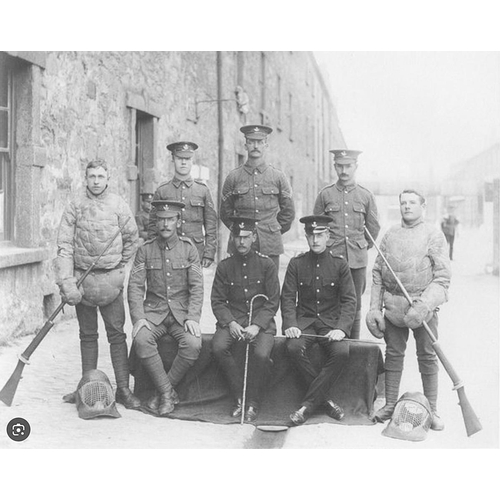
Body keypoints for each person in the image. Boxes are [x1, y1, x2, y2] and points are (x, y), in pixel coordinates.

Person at [56, 158, 141, 410]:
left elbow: (132, 238)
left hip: (110, 282)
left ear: (108, 178)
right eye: (92, 176)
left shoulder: (118, 205)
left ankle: (124, 390)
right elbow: (65, 245)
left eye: (100, 177)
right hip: (83, 281)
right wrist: (67, 281)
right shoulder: (75, 205)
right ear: (86, 178)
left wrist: (117, 266)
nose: (96, 181)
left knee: (117, 335)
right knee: (87, 335)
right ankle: (86, 386)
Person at [366, 189, 451, 431]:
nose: (407, 207)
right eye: (403, 202)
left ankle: (432, 409)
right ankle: (391, 404)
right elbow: (377, 273)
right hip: (394, 309)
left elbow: (442, 277)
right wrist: (374, 309)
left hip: (423, 311)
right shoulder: (390, 234)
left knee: (427, 356)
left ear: (422, 206)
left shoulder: (433, 235)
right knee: (393, 355)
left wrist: (424, 305)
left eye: (412, 202)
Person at [128, 200, 204, 416]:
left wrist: (192, 317)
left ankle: (162, 394)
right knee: (141, 340)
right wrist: (139, 318)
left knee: (193, 344)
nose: (165, 224)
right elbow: (134, 286)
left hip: (181, 314)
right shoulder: (145, 250)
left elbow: (197, 287)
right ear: (156, 221)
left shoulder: (189, 250)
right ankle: (168, 393)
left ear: (178, 221)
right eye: (161, 220)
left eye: (170, 219)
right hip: (154, 312)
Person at [281, 215, 357, 425]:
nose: (315, 240)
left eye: (320, 235)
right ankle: (325, 402)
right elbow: (287, 298)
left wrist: (341, 329)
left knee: (342, 352)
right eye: (311, 235)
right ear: (306, 237)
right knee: (293, 348)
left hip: (330, 325)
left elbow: (350, 300)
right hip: (303, 324)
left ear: (328, 237)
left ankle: (307, 406)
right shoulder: (296, 264)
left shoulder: (340, 265)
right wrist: (291, 325)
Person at [211, 216, 280, 421]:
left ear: (254, 237)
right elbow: (217, 301)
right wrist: (230, 322)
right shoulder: (224, 266)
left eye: (246, 237)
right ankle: (238, 397)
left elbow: (273, 301)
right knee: (218, 347)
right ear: (232, 238)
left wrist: (257, 326)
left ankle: (253, 402)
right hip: (233, 319)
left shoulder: (266, 265)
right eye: (237, 237)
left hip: (261, 323)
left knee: (260, 355)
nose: (241, 242)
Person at [313, 149, 380, 339]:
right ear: (335, 166)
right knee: (329, 302)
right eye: (340, 166)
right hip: (330, 258)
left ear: (355, 167)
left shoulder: (365, 196)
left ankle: (353, 344)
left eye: (348, 166)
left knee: (355, 304)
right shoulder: (325, 195)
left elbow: (373, 228)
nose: (344, 170)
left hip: (356, 262)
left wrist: (360, 246)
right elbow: (316, 226)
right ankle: (333, 347)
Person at [220, 125, 295, 270]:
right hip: (241, 243)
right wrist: (239, 232)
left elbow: (288, 212)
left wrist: (274, 230)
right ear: (245, 145)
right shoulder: (234, 177)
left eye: (260, 142)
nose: (255, 146)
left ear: (266, 145)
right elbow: (225, 212)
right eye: (251, 141)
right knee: (239, 287)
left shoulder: (278, 177)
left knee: (270, 287)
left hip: (270, 243)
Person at [147, 141, 217, 268]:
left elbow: (211, 225)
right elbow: (153, 225)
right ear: (173, 159)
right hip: (167, 251)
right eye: (180, 158)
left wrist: (209, 253)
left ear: (192, 160)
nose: (183, 162)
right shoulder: (163, 190)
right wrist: (153, 251)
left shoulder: (203, 190)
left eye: (187, 159)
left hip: (195, 252)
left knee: (195, 286)